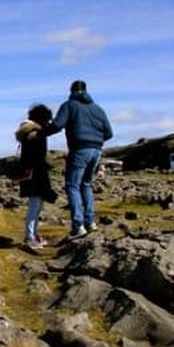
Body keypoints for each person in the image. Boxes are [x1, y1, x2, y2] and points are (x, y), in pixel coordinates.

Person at [50, 80, 113, 239]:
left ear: (71, 90)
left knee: (72, 186)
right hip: (96, 151)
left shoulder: (69, 105)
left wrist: (39, 132)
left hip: (79, 150)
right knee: (86, 184)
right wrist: (96, 140)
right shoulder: (98, 109)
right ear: (86, 90)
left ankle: (78, 226)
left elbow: (57, 125)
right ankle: (90, 222)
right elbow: (109, 133)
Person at [15, 103, 58, 250]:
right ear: (42, 119)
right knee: (35, 206)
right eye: (47, 120)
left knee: (36, 205)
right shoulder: (35, 133)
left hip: (31, 173)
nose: (48, 123)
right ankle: (30, 237)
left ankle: (33, 234)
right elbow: (36, 156)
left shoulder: (29, 132)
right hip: (36, 173)